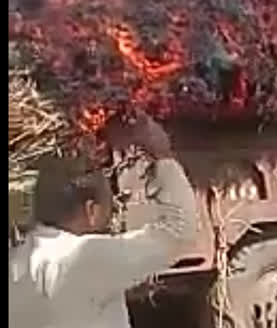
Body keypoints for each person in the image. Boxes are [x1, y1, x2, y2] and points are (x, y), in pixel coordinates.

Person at [9, 111, 198, 328]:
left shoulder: (16, 264)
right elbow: (179, 229)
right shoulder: (85, 259)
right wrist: (161, 153)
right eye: (111, 206)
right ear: (91, 210)